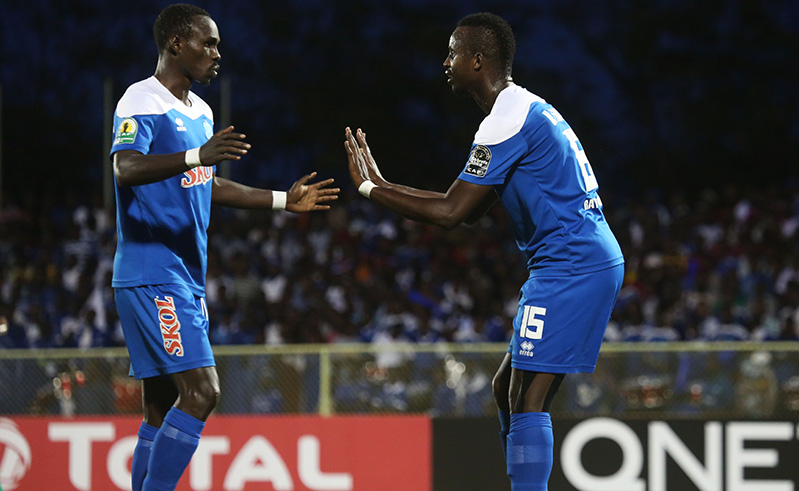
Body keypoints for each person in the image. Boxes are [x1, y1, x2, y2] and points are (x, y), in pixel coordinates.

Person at [344, 12, 623, 490]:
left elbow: (451, 213)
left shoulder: (506, 119)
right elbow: (468, 211)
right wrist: (385, 184)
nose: (445, 62)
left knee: (527, 396)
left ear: (478, 60)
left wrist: (371, 188)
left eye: (453, 53)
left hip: (572, 265)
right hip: (573, 260)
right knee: (505, 389)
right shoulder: (523, 109)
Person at [111, 5, 338, 491]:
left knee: (158, 408)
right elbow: (125, 168)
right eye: (207, 43)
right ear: (176, 43)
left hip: (183, 277)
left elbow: (206, 185)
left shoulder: (202, 111)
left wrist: (283, 200)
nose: (217, 54)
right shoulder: (141, 99)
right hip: (154, 272)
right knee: (202, 393)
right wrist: (197, 154)